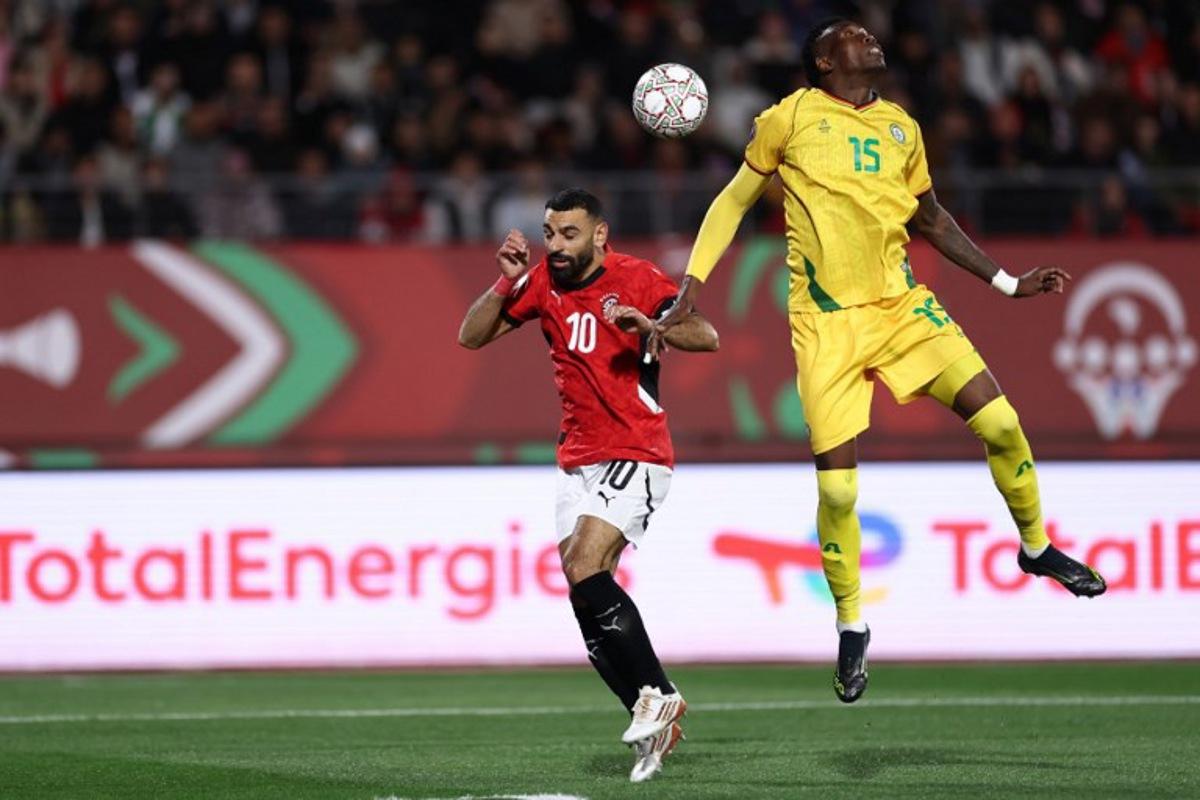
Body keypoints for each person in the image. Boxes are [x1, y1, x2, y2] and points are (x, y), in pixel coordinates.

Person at [653, 18, 1106, 704]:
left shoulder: (903, 128)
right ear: (825, 59)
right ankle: (851, 623)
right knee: (838, 492)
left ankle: (1037, 547)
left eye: (870, 34)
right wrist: (690, 287)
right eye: (853, 36)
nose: (870, 39)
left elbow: (932, 219)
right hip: (826, 325)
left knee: (1004, 424)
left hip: (902, 310)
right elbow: (733, 202)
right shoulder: (790, 119)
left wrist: (1008, 283)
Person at [458, 188, 719, 782]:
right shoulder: (543, 284)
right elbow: (471, 336)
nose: (556, 245)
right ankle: (649, 715)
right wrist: (505, 283)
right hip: (574, 462)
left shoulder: (638, 277)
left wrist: (650, 323)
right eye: (550, 234)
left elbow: (707, 336)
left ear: (600, 235)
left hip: (636, 448)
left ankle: (659, 691)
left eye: (569, 235)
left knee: (584, 565)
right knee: (583, 597)